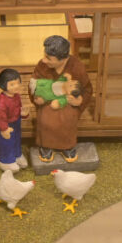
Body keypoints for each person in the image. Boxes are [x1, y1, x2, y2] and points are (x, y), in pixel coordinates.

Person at [31, 35, 92, 163]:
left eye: (49, 58)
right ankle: (46, 145)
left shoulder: (77, 67)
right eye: (45, 56)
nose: (44, 60)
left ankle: (67, 146)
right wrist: (37, 97)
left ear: (63, 59)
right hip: (47, 101)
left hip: (67, 101)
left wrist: (79, 100)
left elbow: (87, 89)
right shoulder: (42, 65)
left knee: (68, 116)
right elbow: (33, 84)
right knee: (46, 116)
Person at [0, 68, 29, 172]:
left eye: (17, 83)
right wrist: (4, 129)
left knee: (17, 140)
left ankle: (17, 155)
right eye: (12, 84)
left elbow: (18, 109)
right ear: (4, 85)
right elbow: (0, 117)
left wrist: (23, 114)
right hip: (6, 125)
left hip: (16, 122)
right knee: (7, 142)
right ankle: (6, 160)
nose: (16, 86)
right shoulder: (1, 102)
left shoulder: (17, 96)